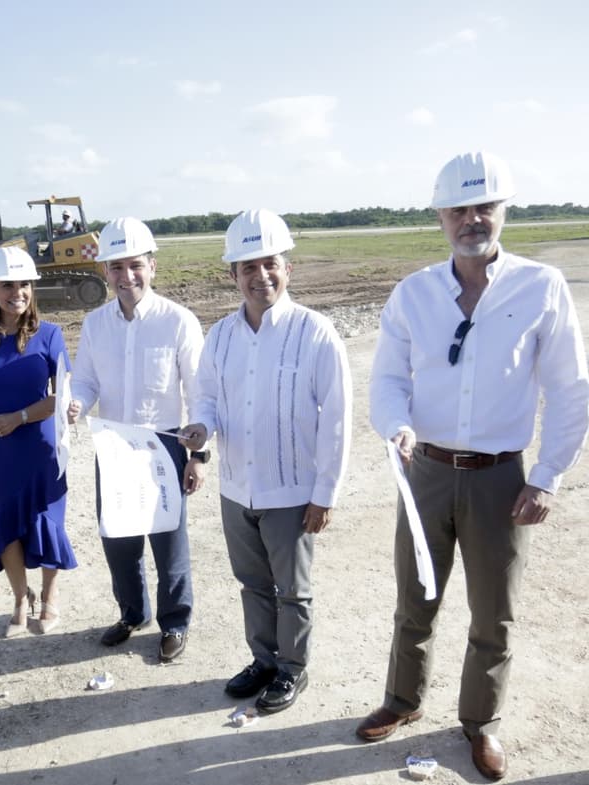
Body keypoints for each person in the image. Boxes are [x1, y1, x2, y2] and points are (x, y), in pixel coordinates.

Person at [359, 152, 589, 780]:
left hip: (500, 479)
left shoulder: (539, 287)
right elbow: (386, 380)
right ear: (440, 215)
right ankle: (402, 701)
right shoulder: (414, 294)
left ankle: (479, 724)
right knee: (416, 597)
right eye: (459, 208)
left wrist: (548, 475)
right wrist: (395, 426)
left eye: (484, 205)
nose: (472, 218)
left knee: (494, 613)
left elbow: (571, 387)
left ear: (503, 209)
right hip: (426, 472)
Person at [180, 208, 351, 713]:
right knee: (252, 583)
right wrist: (201, 428)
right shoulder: (223, 335)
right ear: (233, 275)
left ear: (287, 268)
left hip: (292, 490)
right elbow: (208, 397)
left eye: (270, 263)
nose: (261, 276)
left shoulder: (315, 332)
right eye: (248, 268)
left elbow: (338, 419)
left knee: (292, 591)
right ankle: (265, 660)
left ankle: (293, 669)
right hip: (237, 488)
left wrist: (325, 494)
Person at [67, 216, 206, 663]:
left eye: (135, 266)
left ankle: (175, 623)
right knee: (119, 540)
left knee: (169, 544)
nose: (127, 277)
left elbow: (199, 395)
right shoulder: (95, 324)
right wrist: (76, 403)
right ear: (104, 271)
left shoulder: (178, 322)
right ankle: (132, 614)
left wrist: (197, 456)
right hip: (111, 447)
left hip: (162, 448)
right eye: (116, 268)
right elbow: (85, 380)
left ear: (152, 265)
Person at [0, 246, 77, 637]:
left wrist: (20, 417)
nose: (18, 292)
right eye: (7, 284)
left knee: (46, 521)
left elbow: (61, 396)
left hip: (41, 446)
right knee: (4, 522)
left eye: (24, 283)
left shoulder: (50, 335)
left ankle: (49, 598)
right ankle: (19, 598)